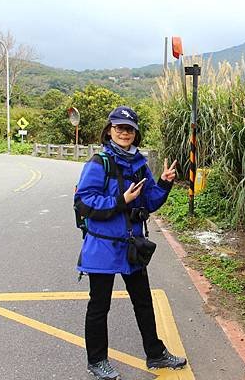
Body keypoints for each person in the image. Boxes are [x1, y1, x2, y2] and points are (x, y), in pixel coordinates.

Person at [74, 106, 186, 380]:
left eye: (129, 129)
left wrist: (164, 183)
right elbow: (83, 201)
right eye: (119, 127)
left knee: (143, 301)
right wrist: (119, 200)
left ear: (136, 134)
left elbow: (148, 202)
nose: (124, 132)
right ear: (110, 130)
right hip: (103, 246)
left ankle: (155, 353)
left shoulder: (139, 164)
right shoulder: (100, 163)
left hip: (131, 245)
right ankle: (97, 360)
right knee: (100, 305)